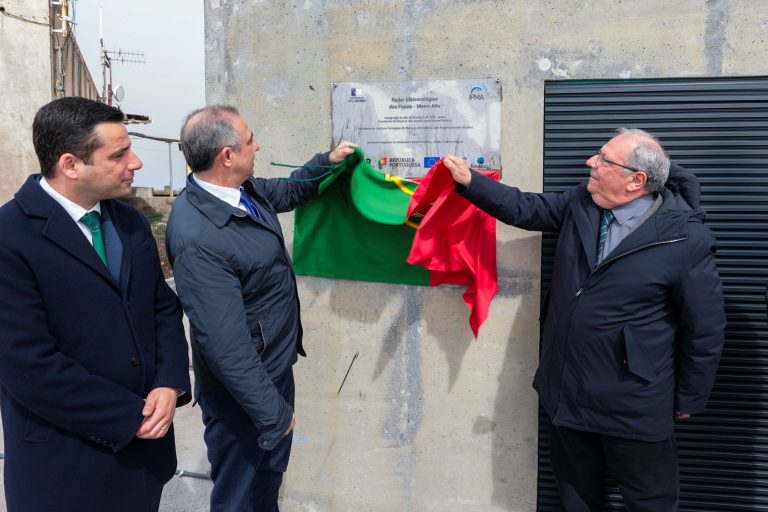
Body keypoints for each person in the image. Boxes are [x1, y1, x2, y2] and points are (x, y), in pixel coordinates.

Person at [443, 128, 726, 511]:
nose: (590, 162)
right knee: (577, 497)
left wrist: (691, 395)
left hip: (634, 401)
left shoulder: (684, 239)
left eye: (604, 159)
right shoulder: (582, 203)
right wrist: (470, 182)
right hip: (568, 391)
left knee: (650, 501)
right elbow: (527, 208)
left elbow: (704, 328)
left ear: (635, 181)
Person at [0, 97, 191, 512]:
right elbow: (29, 366)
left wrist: (169, 382)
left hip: (143, 463)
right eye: (119, 154)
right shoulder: (10, 236)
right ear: (71, 165)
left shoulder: (130, 222)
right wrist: (130, 416)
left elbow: (162, 310)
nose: (136, 162)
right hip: (65, 469)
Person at [166, 105, 355, 512]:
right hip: (243, 396)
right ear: (227, 156)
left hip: (270, 373)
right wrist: (272, 413)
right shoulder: (199, 234)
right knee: (240, 498)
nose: (258, 145)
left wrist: (327, 162)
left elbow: (289, 190)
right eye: (250, 139)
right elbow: (224, 344)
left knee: (265, 489)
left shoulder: (241, 192)